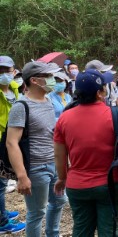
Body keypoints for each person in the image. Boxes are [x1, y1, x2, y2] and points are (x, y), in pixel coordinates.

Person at [53, 69, 118, 236]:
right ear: (100, 92)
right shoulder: (115, 113)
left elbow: (59, 154)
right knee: (108, 230)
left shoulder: (64, 118)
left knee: (81, 230)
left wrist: (62, 178)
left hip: (77, 185)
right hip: (110, 184)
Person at [6, 61, 67, 236]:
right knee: (37, 212)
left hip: (54, 163)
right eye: (48, 76)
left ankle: (52, 234)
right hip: (36, 167)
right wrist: (22, 176)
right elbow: (12, 143)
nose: (53, 80)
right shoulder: (21, 106)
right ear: (34, 80)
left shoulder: (48, 100)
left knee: (59, 202)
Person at [0, 56, 25, 234]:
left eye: (6, 70)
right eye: (0, 71)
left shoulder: (16, 89)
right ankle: (2, 222)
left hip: (12, 139)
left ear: (13, 71)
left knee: (3, 181)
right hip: (1, 140)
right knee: (0, 184)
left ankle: (3, 212)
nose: (3, 74)